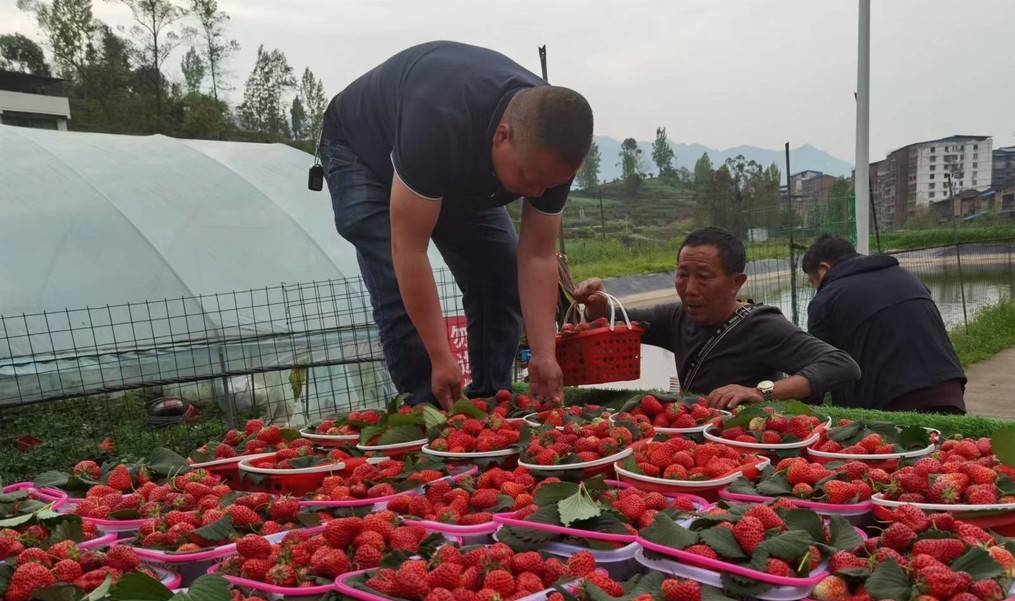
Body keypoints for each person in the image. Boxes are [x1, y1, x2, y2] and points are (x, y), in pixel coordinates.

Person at [319, 41, 593, 408]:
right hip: (362, 153)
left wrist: (544, 355)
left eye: (549, 184)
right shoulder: (438, 118)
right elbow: (409, 249)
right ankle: (430, 411)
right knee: (395, 283)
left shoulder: (551, 150)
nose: (536, 192)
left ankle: (490, 405)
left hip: (457, 167)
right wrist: (440, 356)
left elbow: (537, 256)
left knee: (499, 275)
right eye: (529, 178)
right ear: (502, 135)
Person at [573, 227, 860, 409]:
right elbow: (618, 320)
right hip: (695, 442)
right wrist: (597, 304)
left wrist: (761, 393)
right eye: (682, 275)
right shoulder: (675, 315)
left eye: (704, 277)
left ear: (736, 282)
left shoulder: (761, 326)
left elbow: (842, 365)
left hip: (743, 449)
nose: (690, 289)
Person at [803, 235, 966, 413]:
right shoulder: (908, 277)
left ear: (824, 268)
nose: (815, 288)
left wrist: (800, 408)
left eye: (812, 282)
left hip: (891, 401)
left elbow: (818, 373)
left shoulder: (825, 300)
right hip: (949, 389)